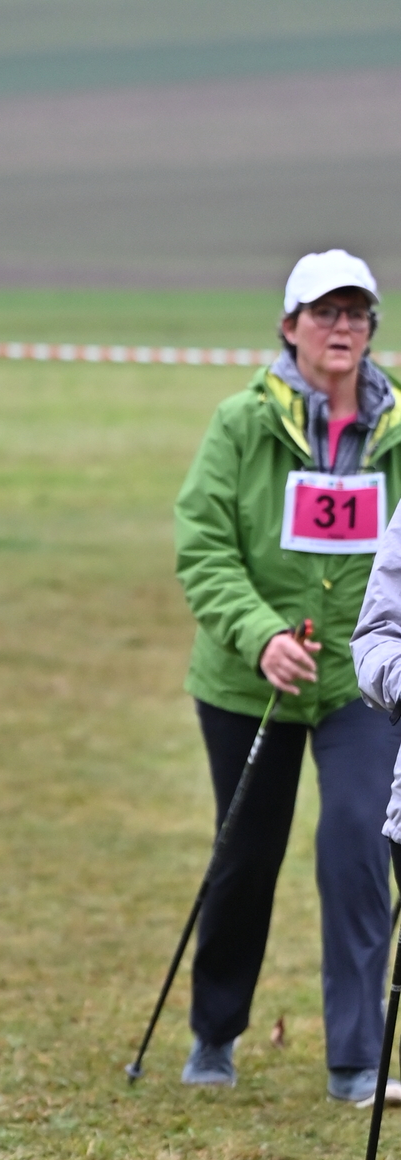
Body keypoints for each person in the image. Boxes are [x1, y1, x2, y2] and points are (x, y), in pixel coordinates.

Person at [174, 248, 400, 1101]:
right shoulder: (241, 422)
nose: (342, 327)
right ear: (289, 325)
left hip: (360, 680)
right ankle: (214, 1034)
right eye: (324, 312)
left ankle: (357, 1058)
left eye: (356, 313)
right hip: (249, 680)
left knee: (359, 843)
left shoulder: (396, 426)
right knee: (246, 852)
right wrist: (260, 634)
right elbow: (204, 546)